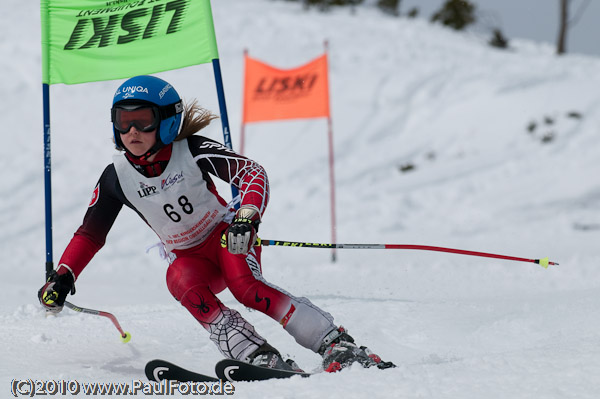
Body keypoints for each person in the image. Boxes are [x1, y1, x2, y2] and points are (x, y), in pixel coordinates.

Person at [38, 75, 392, 373]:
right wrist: (64, 275)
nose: (131, 130)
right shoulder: (116, 177)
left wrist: (247, 217)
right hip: (192, 259)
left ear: (165, 121)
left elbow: (252, 172)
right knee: (178, 279)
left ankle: (336, 345)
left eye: (143, 120)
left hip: (229, 239)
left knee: (245, 287)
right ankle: (257, 355)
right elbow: (90, 233)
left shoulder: (190, 149)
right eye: (122, 120)